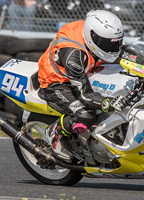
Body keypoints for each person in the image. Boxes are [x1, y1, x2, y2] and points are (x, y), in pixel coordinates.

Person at [38, 10, 124, 159]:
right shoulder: (74, 56)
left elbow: (125, 53)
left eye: (116, 43)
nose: (113, 49)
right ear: (92, 37)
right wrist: (107, 102)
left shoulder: (99, 35)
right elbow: (86, 95)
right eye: (106, 44)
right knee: (85, 114)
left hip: (85, 71)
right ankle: (54, 133)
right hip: (57, 81)